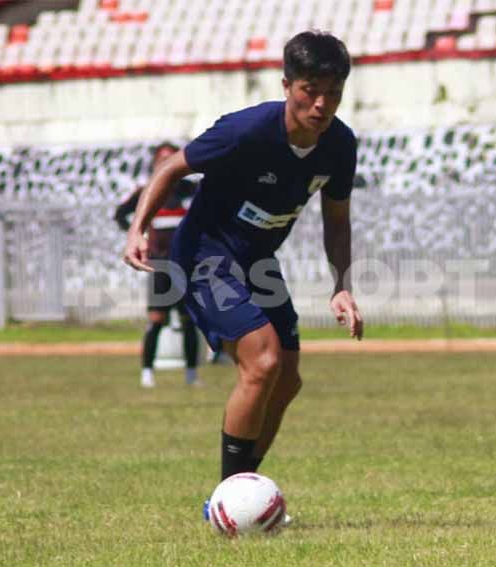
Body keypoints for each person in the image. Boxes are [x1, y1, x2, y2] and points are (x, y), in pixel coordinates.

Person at [122, 30, 363, 499]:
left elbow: (337, 219)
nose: (321, 104)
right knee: (263, 358)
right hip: (204, 255)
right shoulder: (246, 130)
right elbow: (171, 169)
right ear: (286, 85)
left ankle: (241, 495)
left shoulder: (340, 145)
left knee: (286, 378)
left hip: (256, 261)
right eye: (309, 90)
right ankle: (230, 497)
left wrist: (342, 285)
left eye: (332, 93)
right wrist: (139, 229)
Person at [115, 142, 201, 388]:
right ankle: (147, 372)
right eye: (161, 158)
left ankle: (192, 374)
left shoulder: (190, 190)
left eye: (171, 157)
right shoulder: (148, 192)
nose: (166, 162)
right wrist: (136, 233)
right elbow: (121, 214)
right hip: (159, 265)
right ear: (154, 163)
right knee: (156, 320)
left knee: (188, 320)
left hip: (186, 264)